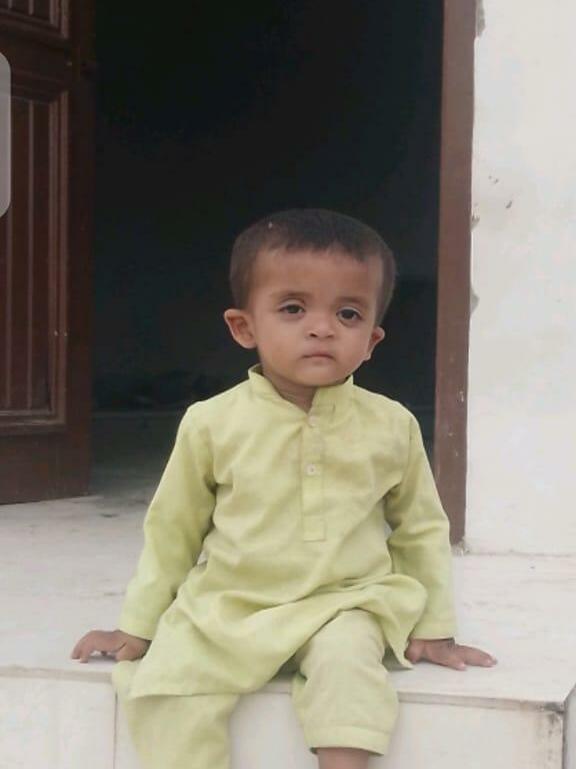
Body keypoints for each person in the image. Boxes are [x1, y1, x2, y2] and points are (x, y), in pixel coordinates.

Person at [71, 209, 496, 769]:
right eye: (294, 308)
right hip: (230, 605)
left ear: (372, 339)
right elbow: (173, 530)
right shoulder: (211, 423)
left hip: (345, 602)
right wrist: (139, 625)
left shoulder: (392, 425)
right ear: (244, 327)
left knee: (351, 673)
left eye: (347, 313)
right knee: (166, 691)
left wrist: (434, 627)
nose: (322, 328)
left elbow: (420, 528)